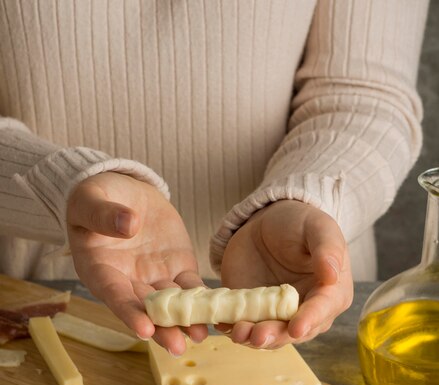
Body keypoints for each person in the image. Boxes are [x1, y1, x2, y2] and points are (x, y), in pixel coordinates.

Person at [0, 0, 428, 355]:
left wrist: (306, 195)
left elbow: (366, 95)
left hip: (299, 283)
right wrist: (60, 186)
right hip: (37, 305)